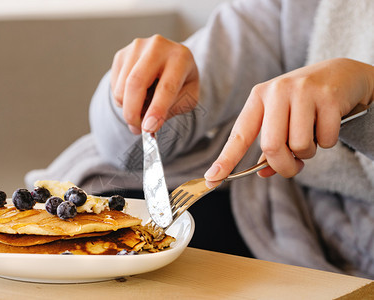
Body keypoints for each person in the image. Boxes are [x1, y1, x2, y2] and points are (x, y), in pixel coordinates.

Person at [26, 0, 374, 278]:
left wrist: (368, 94)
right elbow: (122, 150)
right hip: (266, 210)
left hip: (309, 246)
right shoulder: (296, 9)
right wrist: (136, 94)